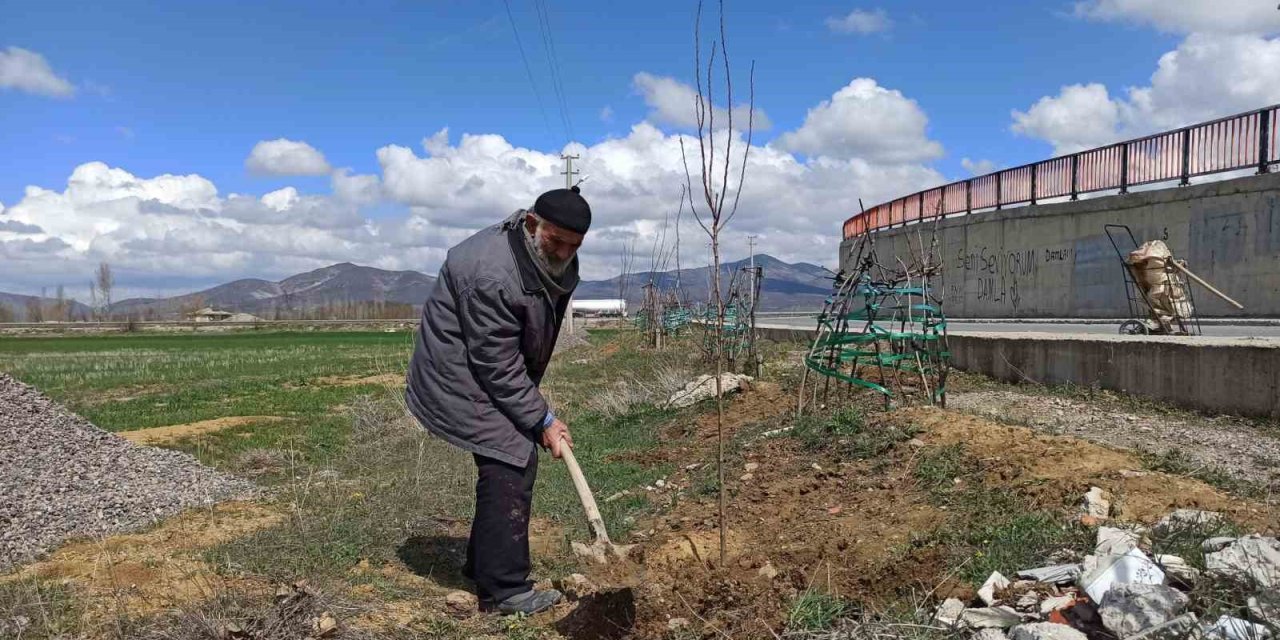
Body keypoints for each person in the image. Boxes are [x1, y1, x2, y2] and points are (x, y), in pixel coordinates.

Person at [405, 186, 590, 615]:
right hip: (455, 372)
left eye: (574, 246)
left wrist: (536, 414)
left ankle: (483, 565)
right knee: (511, 457)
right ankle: (504, 591)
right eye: (556, 241)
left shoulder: (544, 254)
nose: (564, 253)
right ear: (532, 224)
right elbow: (496, 364)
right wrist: (543, 419)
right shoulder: (490, 273)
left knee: (513, 450)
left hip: (486, 365)